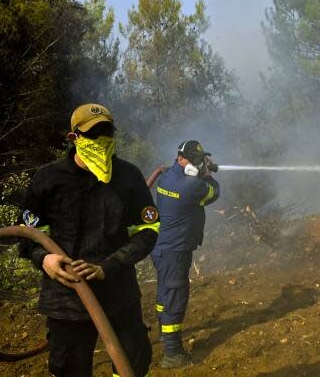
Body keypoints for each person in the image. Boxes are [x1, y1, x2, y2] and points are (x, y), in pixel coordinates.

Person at [19, 103, 159, 377]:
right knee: (69, 369)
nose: (101, 139)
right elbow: (26, 237)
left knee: (134, 362)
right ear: (74, 138)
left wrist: (110, 265)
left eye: (107, 132)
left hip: (119, 292)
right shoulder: (48, 179)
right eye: (93, 134)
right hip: (67, 299)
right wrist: (44, 259)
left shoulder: (128, 176)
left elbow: (149, 229)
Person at [152, 140, 220, 368]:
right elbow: (214, 193)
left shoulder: (169, 176)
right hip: (175, 250)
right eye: (196, 160)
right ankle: (172, 353)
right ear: (182, 159)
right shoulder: (192, 187)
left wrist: (198, 171)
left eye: (202, 160)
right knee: (176, 296)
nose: (200, 164)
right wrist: (208, 174)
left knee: (165, 291)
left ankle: (163, 332)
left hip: (160, 247)